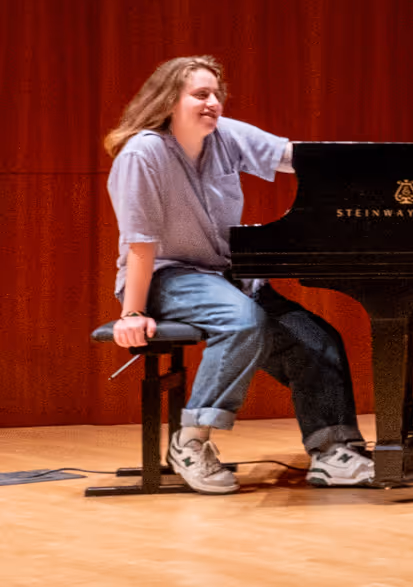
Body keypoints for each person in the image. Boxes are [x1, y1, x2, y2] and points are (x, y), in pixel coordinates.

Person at [105, 57, 374, 493]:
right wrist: (132, 312)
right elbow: (140, 244)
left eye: (216, 95)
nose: (213, 103)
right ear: (169, 100)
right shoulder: (144, 153)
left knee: (317, 339)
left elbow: (294, 158)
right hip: (168, 275)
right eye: (200, 94)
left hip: (227, 277)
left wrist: (377, 167)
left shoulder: (225, 136)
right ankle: (190, 442)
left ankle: (332, 451)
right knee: (242, 321)